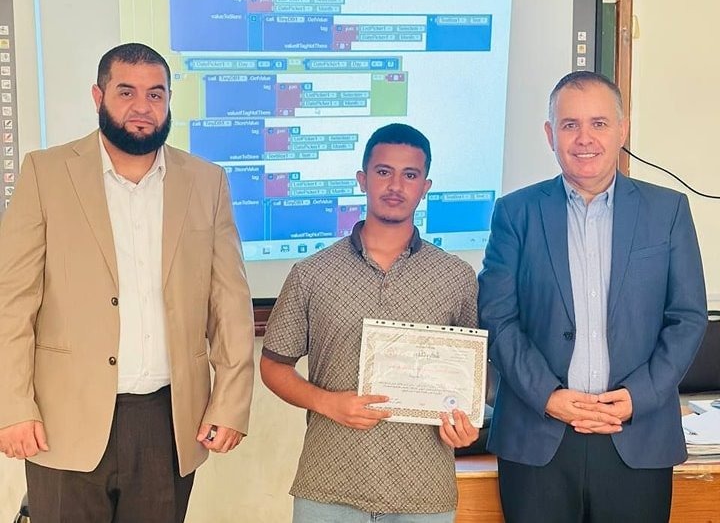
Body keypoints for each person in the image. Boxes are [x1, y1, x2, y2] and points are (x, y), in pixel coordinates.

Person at [0, 43, 255, 523]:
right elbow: (11, 302)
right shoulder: (46, 173)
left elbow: (230, 304)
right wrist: (12, 405)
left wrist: (231, 403)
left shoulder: (206, 182)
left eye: (156, 94)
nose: (143, 106)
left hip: (168, 421)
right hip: (64, 419)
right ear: (98, 97)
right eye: (126, 92)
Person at [478, 70, 708, 522]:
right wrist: (547, 396)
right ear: (551, 135)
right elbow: (497, 317)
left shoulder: (668, 210)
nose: (585, 138)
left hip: (636, 434)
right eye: (570, 125)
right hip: (538, 438)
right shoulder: (515, 213)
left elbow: (687, 317)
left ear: (622, 130)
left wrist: (639, 395)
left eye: (599, 123)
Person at [260, 123, 480, 522]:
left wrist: (465, 424)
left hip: (424, 492)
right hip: (328, 486)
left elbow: (467, 380)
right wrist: (327, 403)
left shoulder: (457, 277)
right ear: (362, 179)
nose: (395, 185)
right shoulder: (312, 273)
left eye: (409, 175)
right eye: (383, 172)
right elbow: (273, 366)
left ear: (425, 187)